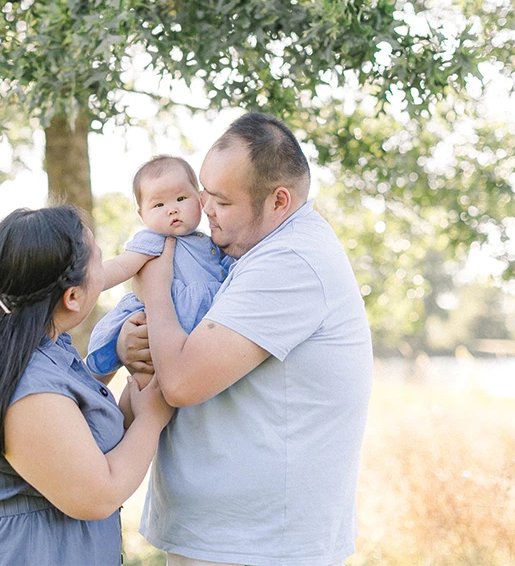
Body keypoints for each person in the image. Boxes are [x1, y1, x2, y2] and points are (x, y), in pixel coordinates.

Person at [127, 113, 374, 566]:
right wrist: (134, 340)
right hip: (223, 538)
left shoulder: (290, 260)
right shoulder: (245, 253)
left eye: (220, 200)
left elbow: (180, 381)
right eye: (203, 192)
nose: (204, 210)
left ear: (279, 201)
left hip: (259, 547)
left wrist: (155, 286)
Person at [0, 206, 174, 566]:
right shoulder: (26, 385)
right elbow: (97, 496)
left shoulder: (13, 339)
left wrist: (114, 355)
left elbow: (66, 422)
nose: (106, 273)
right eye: (98, 265)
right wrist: (152, 417)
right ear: (72, 297)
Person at [85, 155, 232, 387]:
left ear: (200, 199)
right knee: (147, 384)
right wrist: (84, 282)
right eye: (159, 205)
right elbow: (121, 266)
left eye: (181, 198)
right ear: (142, 215)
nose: (172, 210)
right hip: (162, 326)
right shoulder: (154, 241)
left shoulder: (212, 242)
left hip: (202, 338)